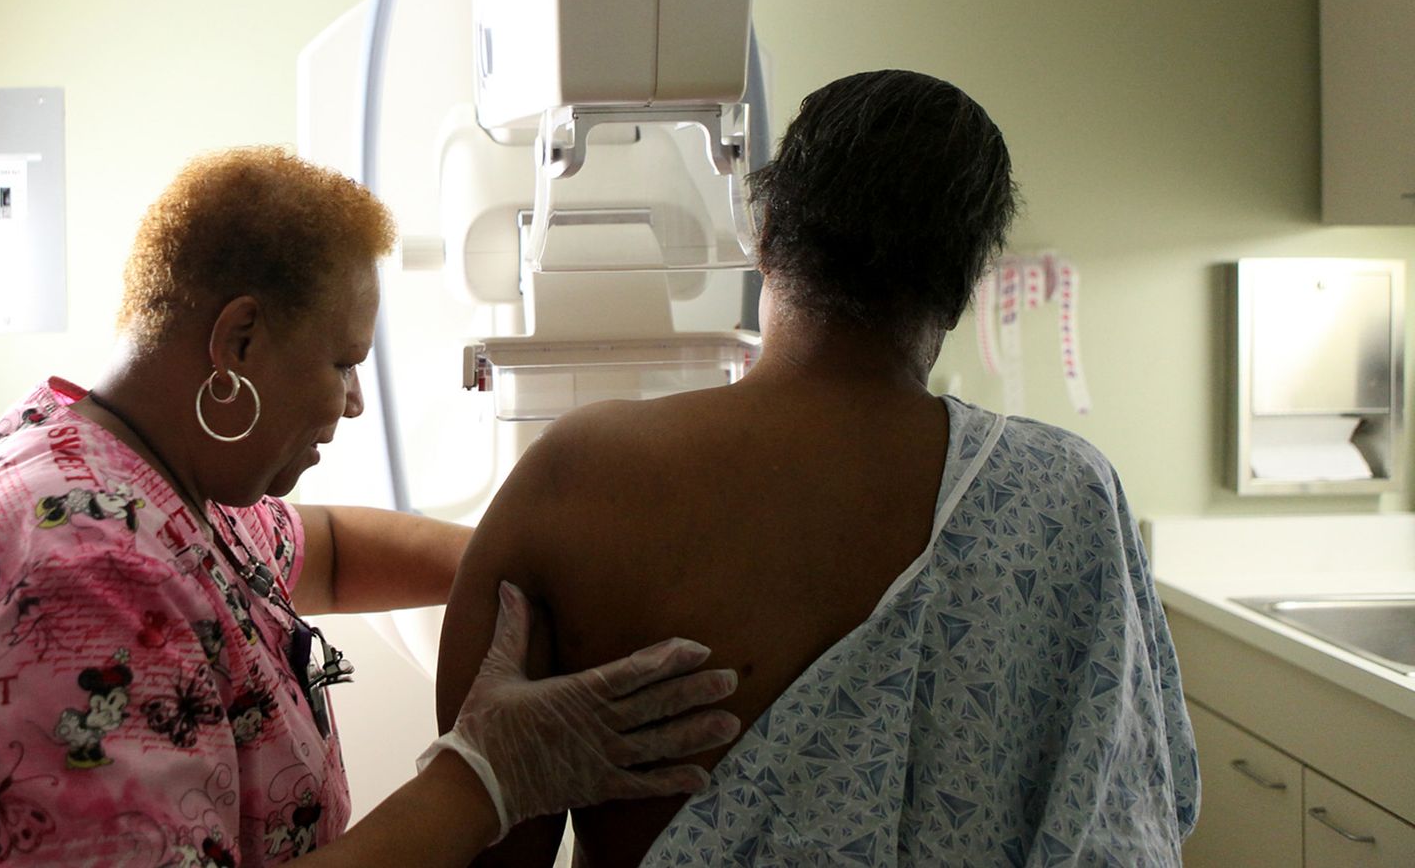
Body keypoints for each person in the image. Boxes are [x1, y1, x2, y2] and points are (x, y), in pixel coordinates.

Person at [0, 146, 742, 868]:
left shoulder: (143, 472)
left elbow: (324, 551)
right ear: (238, 340)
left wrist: (514, 560)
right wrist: (488, 776)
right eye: (341, 362)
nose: (353, 401)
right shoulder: (78, 583)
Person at [435, 71, 1200, 867]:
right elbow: (1130, 821)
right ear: (966, 282)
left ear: (764, 232)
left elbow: (480, 845)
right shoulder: (1065, 498)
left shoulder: (576, 479)